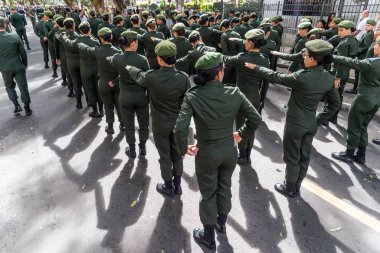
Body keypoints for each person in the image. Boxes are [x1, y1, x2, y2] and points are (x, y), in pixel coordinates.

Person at [173, 52, 261, 250]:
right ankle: (221, 222)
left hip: (207, 153)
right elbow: (255, 118)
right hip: (230, 151)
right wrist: (241, 134)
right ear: (220, 73)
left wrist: (182, 148)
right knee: (225, 187)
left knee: (208, 193)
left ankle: (208, 236)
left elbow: (179, 129)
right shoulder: (234, 92)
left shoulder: (193, 96)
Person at [245, 39, 340, 198]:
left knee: (292, 157)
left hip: (295, 124)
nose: (304, 57)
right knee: (304, 156)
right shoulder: (328, 77)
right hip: (311, 123)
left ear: (313, 59)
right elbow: (335, 104)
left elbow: (276, 76)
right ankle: (296, 186)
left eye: (306, 55)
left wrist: (257, 67)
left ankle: (289, 187)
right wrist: (318, 120)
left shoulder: (302, 76)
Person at [126, 40, 191, 197]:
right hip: (177, 123)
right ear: (174, 57)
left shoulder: (151, 77)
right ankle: (178, 184)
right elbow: (187, 102)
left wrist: (130, 68)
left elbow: (138, 76)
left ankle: (168, 186)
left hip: (159, 123)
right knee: (177, 155)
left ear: (160, 59)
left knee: (164, 156)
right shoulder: (183, 78)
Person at [223, 29, 269, 165]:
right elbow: (265, 82)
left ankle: (242, 156)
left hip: (241, 96)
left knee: (241, 125)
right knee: (251, 125)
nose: (245, 42)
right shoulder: (264, 60)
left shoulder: (241, 57)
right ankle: (248, 154)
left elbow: (225, 59)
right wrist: (262, 99)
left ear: (251, 43)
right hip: (256, 96)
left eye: (246, 40)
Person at [331, 36, 380, 164]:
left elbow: (349, 61)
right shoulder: (373, 61)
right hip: (376, 100)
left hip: (364, 98)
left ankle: (349, 153)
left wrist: (330, 56)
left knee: (354, 126)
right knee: (363, 126)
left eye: (376, 45)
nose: (374, 46)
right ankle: (361, 155)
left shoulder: (372, 63)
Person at [107, 31, 150, 158]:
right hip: (141, 96)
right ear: (133, 43)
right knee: (143, 123)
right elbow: (147, 79)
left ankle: (132, 149)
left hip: (125, 96)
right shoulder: (142, 59)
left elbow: (111, 59)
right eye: (136, 41)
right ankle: (142, 147)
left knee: (128, 124)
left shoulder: (118, 58)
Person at [78, 27, 123, 134]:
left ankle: (110, 127)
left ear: (101, 39)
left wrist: (81, 45)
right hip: (116, 83)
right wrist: (115, 81)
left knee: (108, 106)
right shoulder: (118, 51)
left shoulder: (97, 51)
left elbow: (87, 49)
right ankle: (123, 125)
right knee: (119, 106)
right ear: (111, 37)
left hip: (103, 83)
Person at [62, 21, 102, 116]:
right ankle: (101, 110)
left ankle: (95, 111)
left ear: (80, 31)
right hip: (96, 68)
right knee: (98, 89)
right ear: (90, 30)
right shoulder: (95, 41)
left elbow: (70, 43)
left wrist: (65, 38)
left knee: (89, 90)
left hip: (85, 68)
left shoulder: (78, 40)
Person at [0, 17, 32, 116]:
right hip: (18, 65)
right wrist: (25, 64)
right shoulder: (15, 37)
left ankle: (16, 105)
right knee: (23, 87)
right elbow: (23, 52)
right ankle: (27, 108)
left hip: (5, 68)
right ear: (5, 25)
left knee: (9, 86)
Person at [329, 20, 358, 124]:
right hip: (345, 73)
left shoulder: (344, 44)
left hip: (338, 73)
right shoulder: (354, 41)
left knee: (333, 96)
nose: (339, 33)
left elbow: (341, 62)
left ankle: (328, 117)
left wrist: (337, 77)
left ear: (349, 30)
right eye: (338, 30)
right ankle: (333, 117)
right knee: (338, 95)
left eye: (341, 30)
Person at [346, 19, 376, 94]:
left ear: (373, 26)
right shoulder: (367, 33)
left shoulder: (369, 35)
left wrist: (356, 52)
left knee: (358, 74)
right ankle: (356, 88)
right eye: (366, 25)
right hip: (362, 56)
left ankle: (355, 89)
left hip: (362, 56)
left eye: (369, 25)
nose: (366, 26)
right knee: (358, 74)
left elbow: (365, 47)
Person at [54, 15, 73, 94]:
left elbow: (56, 48)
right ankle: (78, 90)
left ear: (58, 24)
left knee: (68, 74)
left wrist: (57, 58)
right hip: (71, 54)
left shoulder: (57, 34)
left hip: (63, 56)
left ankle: (71, 90)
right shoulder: (68, 32)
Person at [43, 11, 58, 77]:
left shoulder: (45, 23)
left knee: (53, 58)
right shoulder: (55, 22)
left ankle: (55, 72)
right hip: (59, 41)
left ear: (47, 16)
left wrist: (46, 37)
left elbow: (46, 34)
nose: (44, 17)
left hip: (51, 42)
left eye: (45, 16)